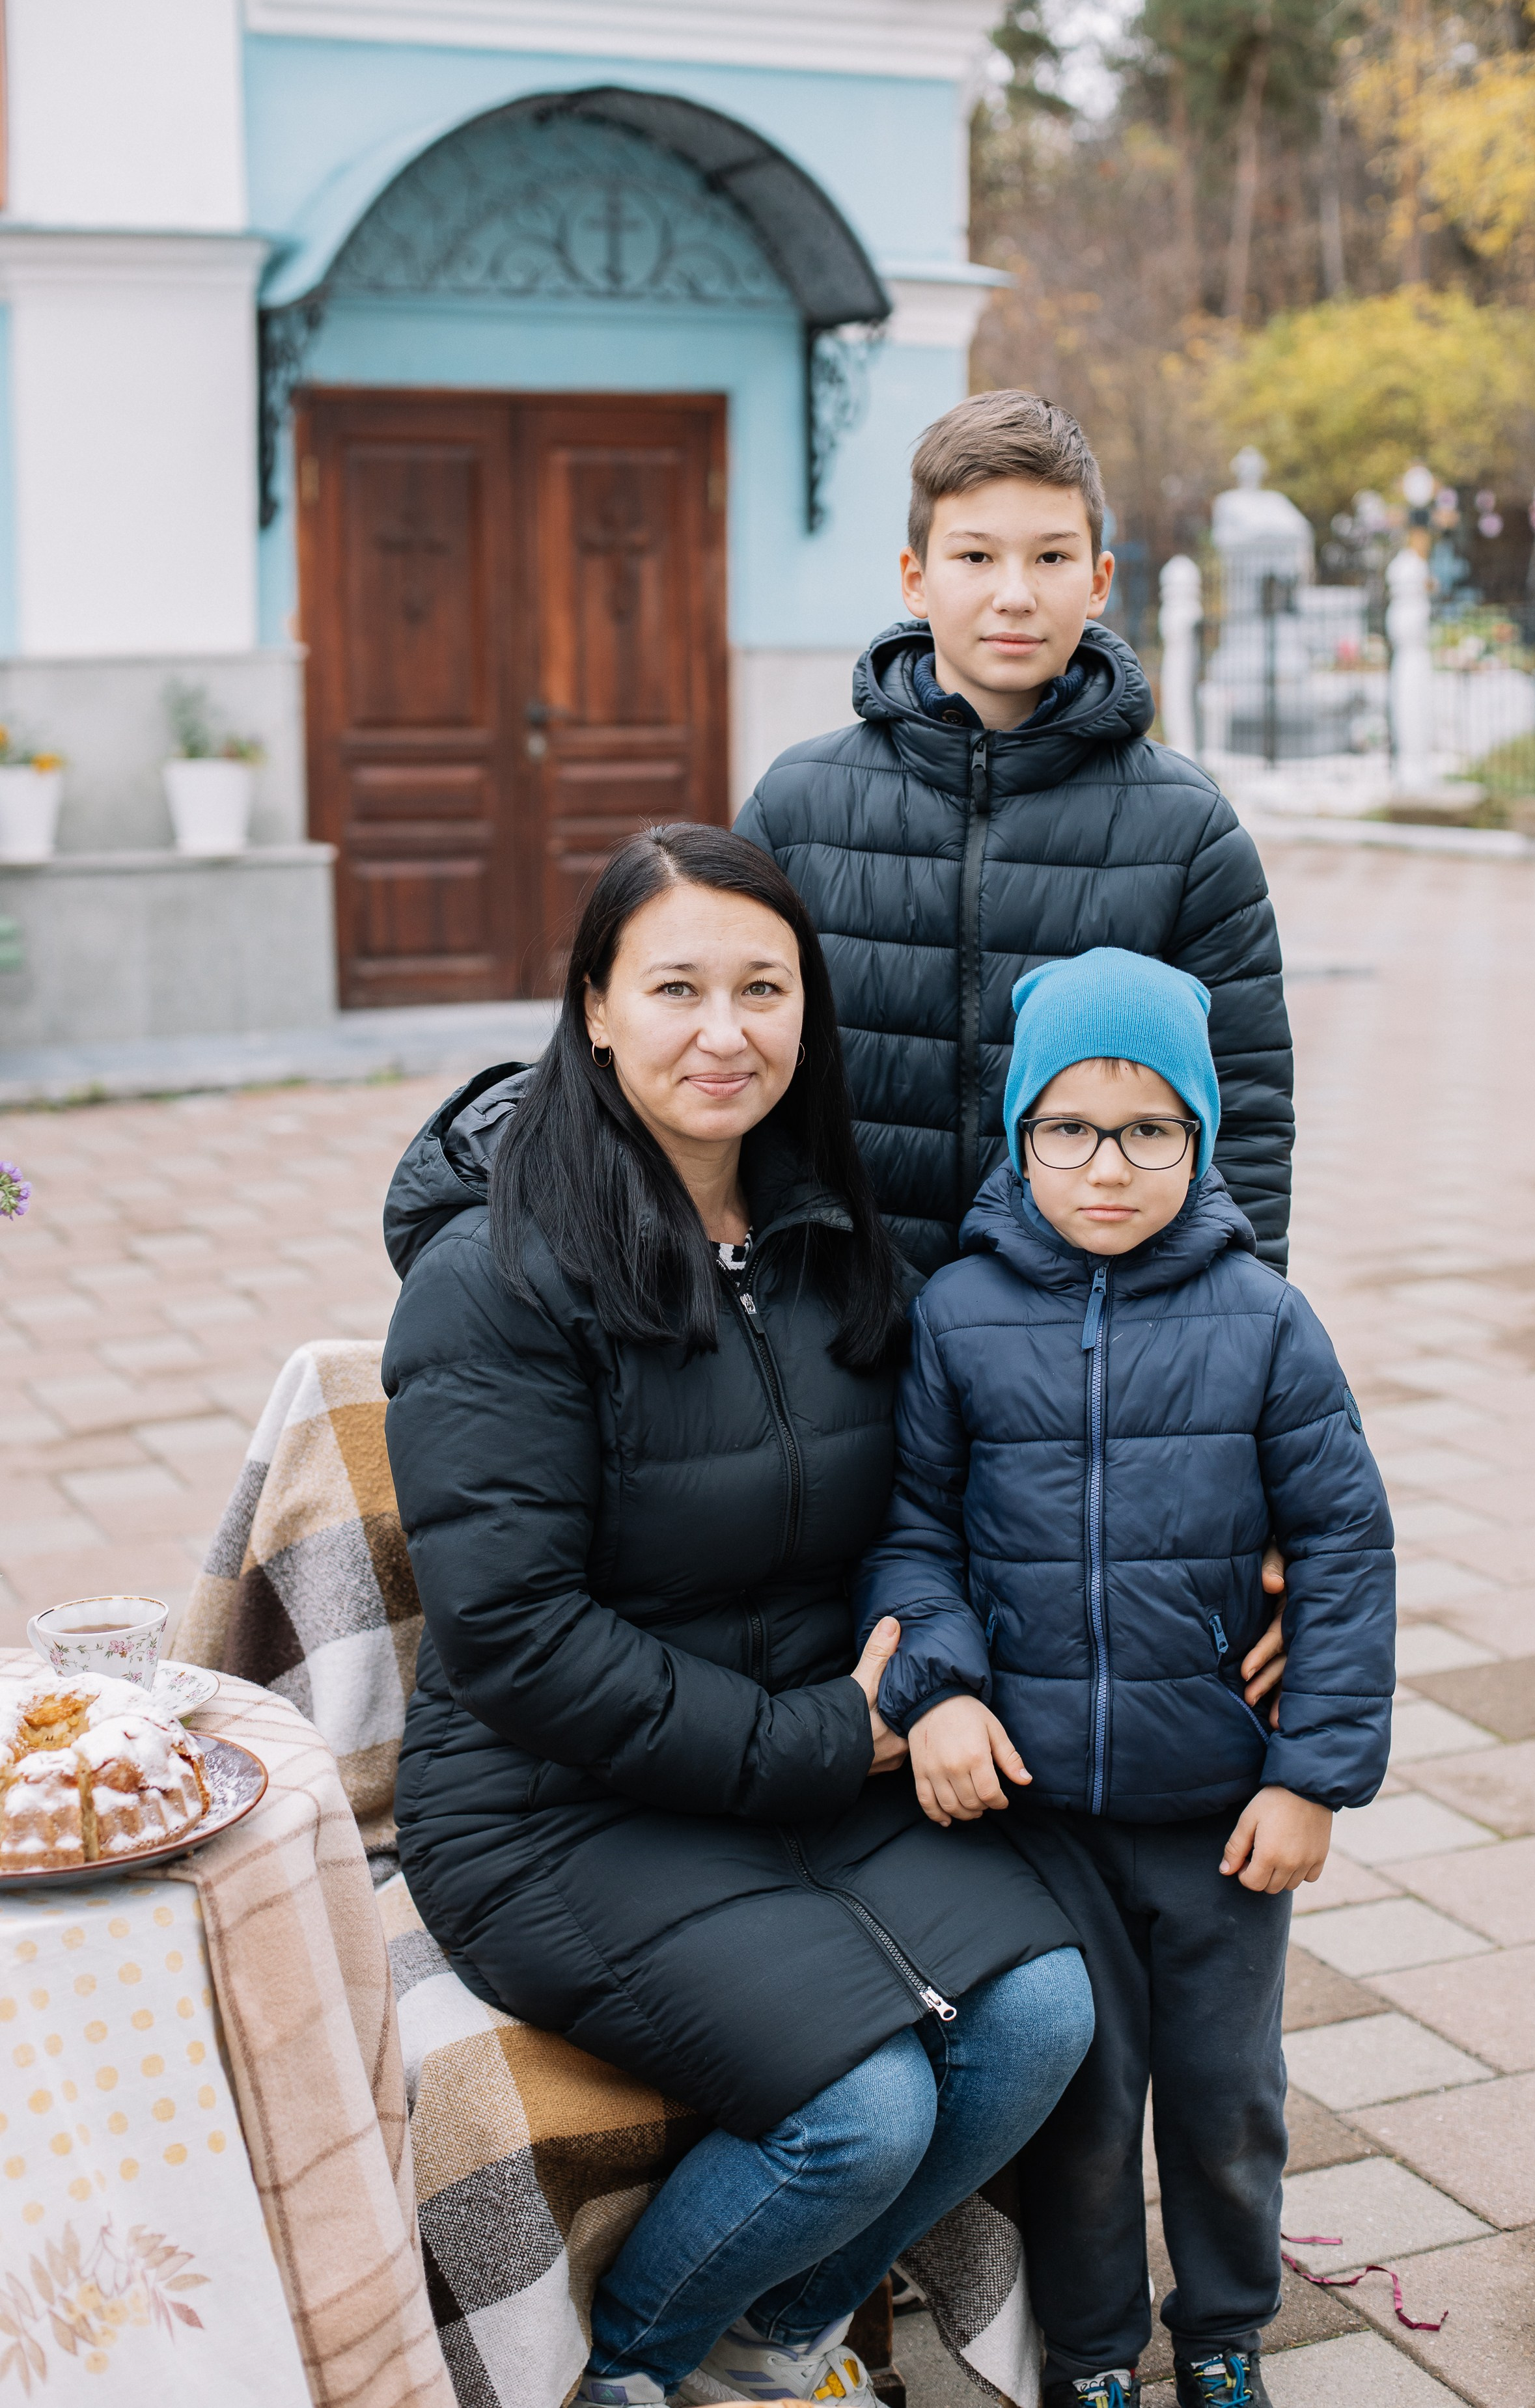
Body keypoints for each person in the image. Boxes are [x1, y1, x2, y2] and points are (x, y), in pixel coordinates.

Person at [381, 823, 1094, 2408]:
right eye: (678, 987)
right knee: (864, 2110)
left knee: (1042, 2008)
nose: (727, 1030)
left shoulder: (828, 1235)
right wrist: (824, 1735)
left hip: (799, 1772)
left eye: (764, 987)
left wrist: (1257, 1551)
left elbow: (940, 1501)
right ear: (593, 1007)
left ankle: (768, 2338)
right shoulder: (494, 1275)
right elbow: (512, 1635)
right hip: (555, 1806)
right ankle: (633, 2366)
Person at [855, 948, 1395, 2408]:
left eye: (1150, 1128)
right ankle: (1090, 2351)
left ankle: (1222, 2330)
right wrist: (939, 1689)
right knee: (1080, 2107)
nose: (1107, 1165)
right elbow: (912, 1535)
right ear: (1018, 1134)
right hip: (1041, 1817)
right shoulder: (959, 1316)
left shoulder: (1265, 1323)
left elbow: (1345, 1546)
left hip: (1219, 1813)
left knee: (1223, 2102)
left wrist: (1313, 1776)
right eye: (1068, 1128)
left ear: (1201, 1136)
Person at [736, 387, 1293, 1279]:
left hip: (1085, 1349)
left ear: (1100, 580)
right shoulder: (796, 807)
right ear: (916, 577)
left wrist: (1222, 1333)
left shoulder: (1188, 830)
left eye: (1051, 557)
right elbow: (729, 1072)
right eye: (975, 555)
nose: (1014, 593)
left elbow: (1248, 1113)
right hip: (840, 1330)